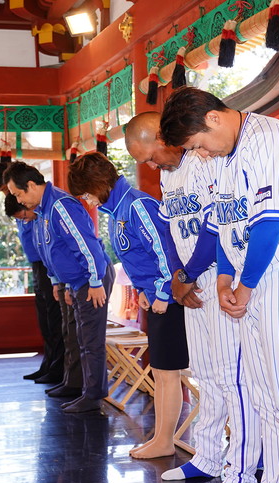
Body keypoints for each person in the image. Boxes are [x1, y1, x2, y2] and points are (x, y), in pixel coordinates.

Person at [160, 87, 279, 483]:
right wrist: (222, 280)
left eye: (196, 143)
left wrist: (245, 283)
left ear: (214, 119)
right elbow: (220, 225)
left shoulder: (270, 138)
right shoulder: (221, 156)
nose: (196, 153)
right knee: (264, 397)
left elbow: (269, 222)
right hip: (250, 279)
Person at [124, 111, 261, 483]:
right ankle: (207, 455)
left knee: (234, 377)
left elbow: (213, 227)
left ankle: (241, 472)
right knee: (207, 374)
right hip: (190, 284)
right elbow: (171, 230)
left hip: (218, 279)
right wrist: (178, 278)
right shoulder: (169, 175)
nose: (151, 166)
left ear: (164, 138)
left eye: (151, 156)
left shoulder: (204, 162)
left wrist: (188, 274)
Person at [67, 151, 189, 459]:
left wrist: (163, 293)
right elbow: (139, 260)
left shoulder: (136, 205)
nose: (87, 200)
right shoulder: (118, 209)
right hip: (156, 299)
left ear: (99, 183)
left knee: (168, 373)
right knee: (161, 373)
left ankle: (164, 441)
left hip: (170, 300)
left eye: (86, 193)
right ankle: (161, 437)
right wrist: (146, 292)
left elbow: (165, 253)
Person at [4, 161, 115, 413]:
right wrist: (57, 282)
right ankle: (83, 388)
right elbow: (48, 248)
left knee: (91, 340)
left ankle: (93, 394)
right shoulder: (44, 209)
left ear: (31, 185)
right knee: (79, 337)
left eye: (19, 194)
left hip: (90, 279)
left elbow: (86, 245)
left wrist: (96, 281)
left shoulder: (60, 205)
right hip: (75, 281)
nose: (19, 201)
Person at [0, 189, 64, 385]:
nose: (8, 193)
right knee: (44, 319)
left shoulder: (41, 211)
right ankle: (48, 364)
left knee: (54, 319)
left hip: (48, 265)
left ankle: (58, 368)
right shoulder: (20, 209)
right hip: (37, 265)